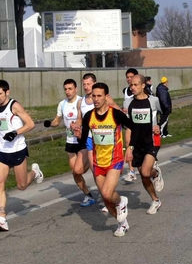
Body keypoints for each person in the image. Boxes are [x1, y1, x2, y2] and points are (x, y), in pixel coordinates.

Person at [74, 82, 136, 237]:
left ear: (106, 97)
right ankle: (122, 224)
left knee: (108, 194)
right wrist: (79, 135)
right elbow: (85, 140)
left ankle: (121, 200)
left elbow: (133, 127)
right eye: (93, 96)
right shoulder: (89, 116)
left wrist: (130, 148)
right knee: (106, 198)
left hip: (114, 160)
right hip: (97, 162)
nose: (96, 99)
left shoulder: (115, 114)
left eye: (99, 96)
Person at [44, 79, 95, 207]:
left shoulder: (82, 102)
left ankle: (90, 162)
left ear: (76, 89)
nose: (67, 91)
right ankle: (88, 195)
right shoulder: (62, 104)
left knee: (79, 170)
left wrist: (78, 126)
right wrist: (50, 124)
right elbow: (57, 120)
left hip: (82, 140)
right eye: (65, 89)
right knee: (75, 173)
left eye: (70, 88)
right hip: (70, 141)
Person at [0, 80, 43, 231]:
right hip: (2, 152)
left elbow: (30, 124)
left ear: (7, 92)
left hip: (18, 150)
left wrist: (15, 132)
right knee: (0, 183)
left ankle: (35, 172)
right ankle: (2, 217)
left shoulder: (14, 106)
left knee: (21, 186)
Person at [124, 75, 165, 215]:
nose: (133, 87)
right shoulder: (128, 103)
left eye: (135, 85)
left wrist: (159, 125)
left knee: (145, 172)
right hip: (137, 142)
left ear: (142, 86)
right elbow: (129, 126)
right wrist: (129, 147)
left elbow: (165, 112)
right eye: (131, 85)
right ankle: (155, 200)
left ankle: (154, 173)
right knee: (144, 175)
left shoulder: (153, 101)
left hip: (152, 141)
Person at [122, 68, 139, 182]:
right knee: (128, 143)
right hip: (129, 122)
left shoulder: (143, 89)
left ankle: (150, 164)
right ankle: (132, 171)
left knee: (139, 146)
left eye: (131, 77)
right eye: (127, 77)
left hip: (140, 122)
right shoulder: (125, 91)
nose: (129, 79)